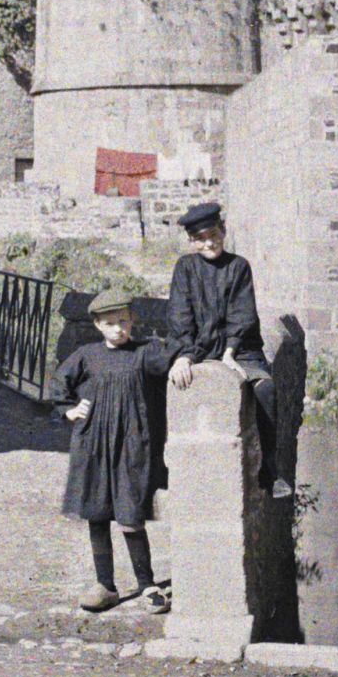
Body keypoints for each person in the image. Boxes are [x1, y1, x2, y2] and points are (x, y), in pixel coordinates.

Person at [52, 288, 192, 613]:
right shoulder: (87, 355)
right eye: (111, 323)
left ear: (133, 321)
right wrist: (69, 410)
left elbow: (174, 353)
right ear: (99, 325)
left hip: (132, 448)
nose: (119, 328)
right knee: (97, 516)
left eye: (124, 321)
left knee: (131, 517)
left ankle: (147, 585)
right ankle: (106, 585)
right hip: (93, 447)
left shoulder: (145, 353)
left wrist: (182, 360)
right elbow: (60, 382)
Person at [167, 200, 291, 498]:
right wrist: (184, 355)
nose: (209, 243)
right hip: (199, 347)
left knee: (264, 389)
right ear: (192, 241)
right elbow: (179, 313)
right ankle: (162, 475)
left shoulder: (238, 266)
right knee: (160, 378)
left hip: (241, 349)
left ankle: (271, 472)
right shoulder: (185, 268)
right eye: (201, 238)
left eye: (213, 235)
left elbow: (243, 313)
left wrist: (230, 353)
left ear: (223, 232)